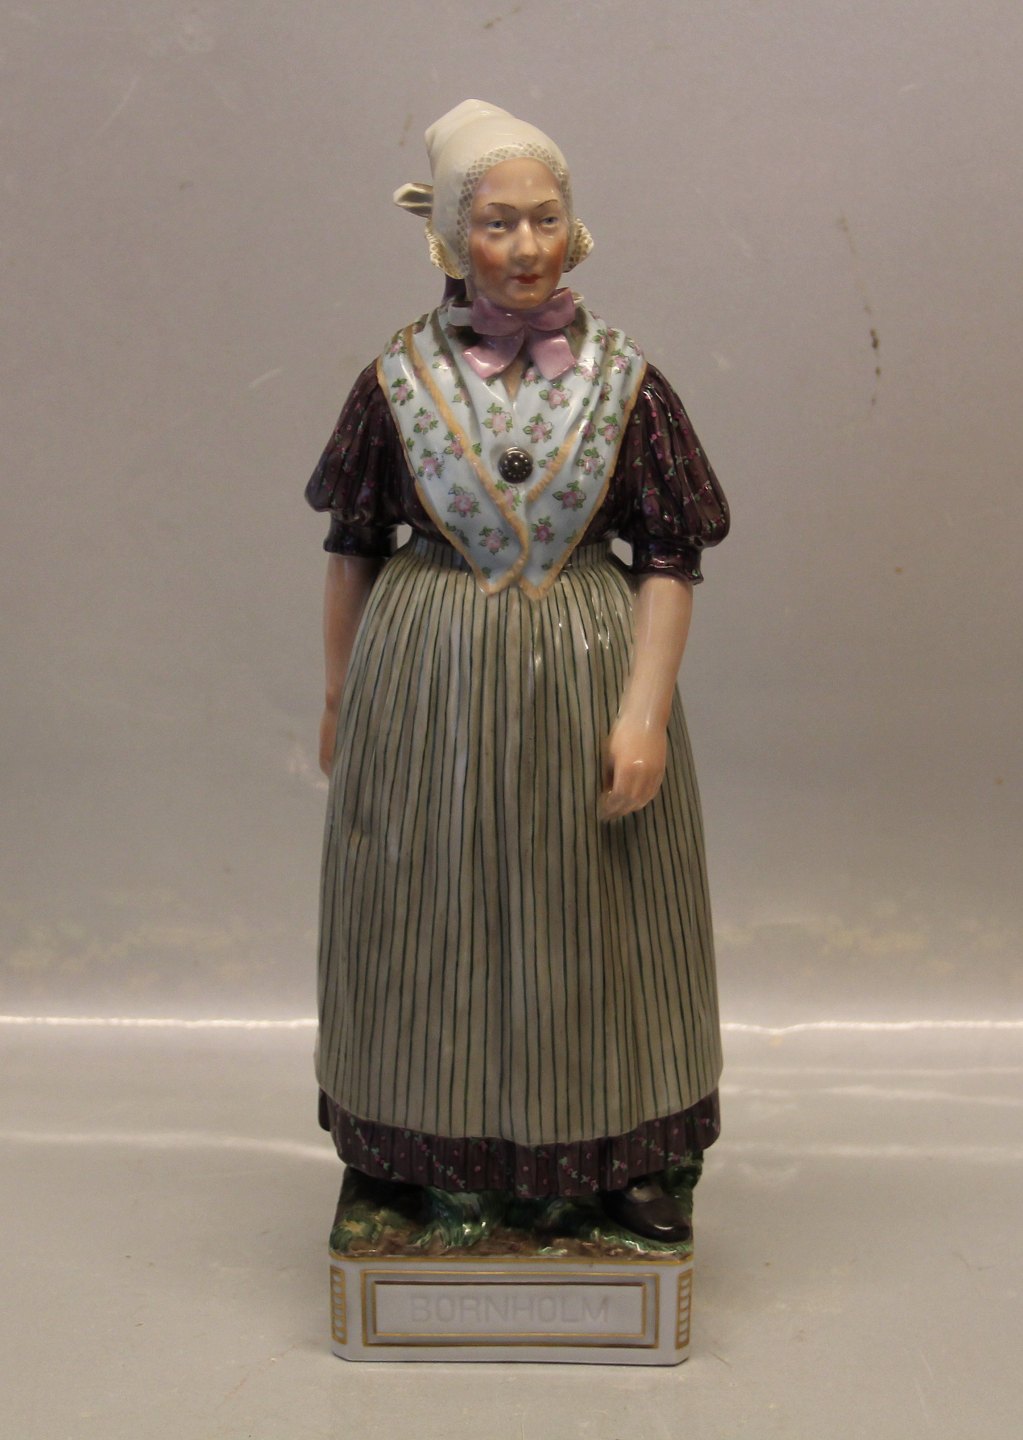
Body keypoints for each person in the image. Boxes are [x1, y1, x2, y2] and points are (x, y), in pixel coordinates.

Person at [306, 101, 729, 1244]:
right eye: (499, 224)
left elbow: (670, 558)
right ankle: (413, 1154)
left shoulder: (625, 381)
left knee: (597, 910)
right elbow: (352, 547)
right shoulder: (397, 381)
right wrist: (341, 698)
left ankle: (614, 1151)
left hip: (585, 665)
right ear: (451, 238)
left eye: (547, 218)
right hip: (429, 673)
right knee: (423, 906)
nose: (528, 246)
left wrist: (644, 712)